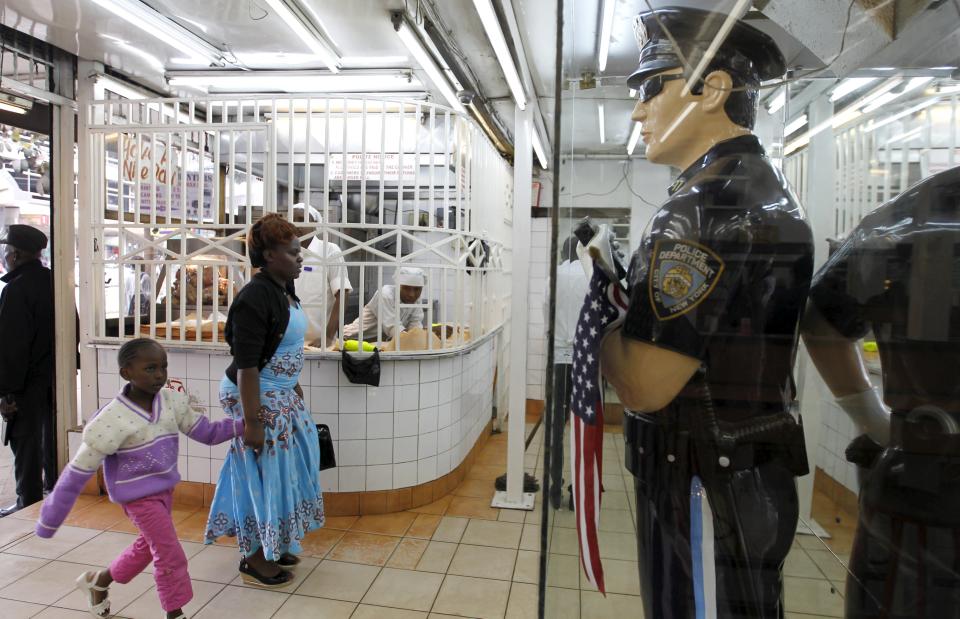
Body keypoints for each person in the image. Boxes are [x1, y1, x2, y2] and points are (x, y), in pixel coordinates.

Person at [583, 7, 813, 617]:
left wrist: (598, 325)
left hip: (703, 480)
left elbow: (645, 383)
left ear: (712, 89)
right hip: (737, 472)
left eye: (650, 88)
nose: (638, 111)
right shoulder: (757, 189)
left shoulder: (700, 209)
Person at [802, 165, 960, 619]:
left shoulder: (905, 215)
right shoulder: (905, 217)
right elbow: (822, 318)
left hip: (921, 478)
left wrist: (870, 416)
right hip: (925, 484)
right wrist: (873, 418)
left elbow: (822, 321)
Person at [34, 338, 243, 619]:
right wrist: (50, 519)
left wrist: (244, 426)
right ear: (126, 373)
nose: (159, 375)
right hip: (137, 499)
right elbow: (76, 473)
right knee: (169, 553)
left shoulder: (171, 402)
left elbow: (206, 432)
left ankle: (99, 582)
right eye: (150, 368)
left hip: (164, 492)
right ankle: (175, 613)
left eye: (163, 367)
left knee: (148, 547)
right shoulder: (111, 420)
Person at [203, 213, 323, 587]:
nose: (300, 257)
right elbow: (248, 365)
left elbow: (282, 347)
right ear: (269, 255)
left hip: (278, 391)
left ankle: (275, 543)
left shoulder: (284, 289)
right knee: (258, 475)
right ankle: (253, 557)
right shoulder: (255, 296)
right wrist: (253, 421)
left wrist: (293, 383)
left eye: (300, 250)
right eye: (292, 251)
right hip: (252, 395)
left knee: (284, 473)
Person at [0, 224, 56, 516]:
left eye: (7, 250)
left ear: (17, 254)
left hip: (24, 382)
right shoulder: (53, 282)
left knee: (24, 440)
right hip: (53, 378)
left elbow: (11, 346)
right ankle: (51, 493)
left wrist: (5, 391)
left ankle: (28, 501)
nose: (5, 255)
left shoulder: (16, 289)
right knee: (49, 437)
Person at [546, 236, 588, 509]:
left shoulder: (554, 277)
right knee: (581, 428)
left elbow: (545, 313)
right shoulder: (590, 276)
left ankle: (555, 487)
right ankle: (577, 491)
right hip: (585, 360)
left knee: (557, 426)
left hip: (560, 358)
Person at [291, 203, 353, 345]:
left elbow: (342, 295)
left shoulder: (329, 251)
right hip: (290, 342)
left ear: (315, 224)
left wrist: (328, 336)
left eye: (302, 219)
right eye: (293, 220)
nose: (296, 225)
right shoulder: (286, 253)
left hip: (320, 343)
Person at [342, 266, 425, 341]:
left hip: (380, 341)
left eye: (417, 289)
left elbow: (415, 324)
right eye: (406, 288)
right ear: (398, 286)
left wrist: (418, 336)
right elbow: (393, 327)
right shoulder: (386, 295)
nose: (411, 294)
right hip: (353, 338)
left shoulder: (416, 300)